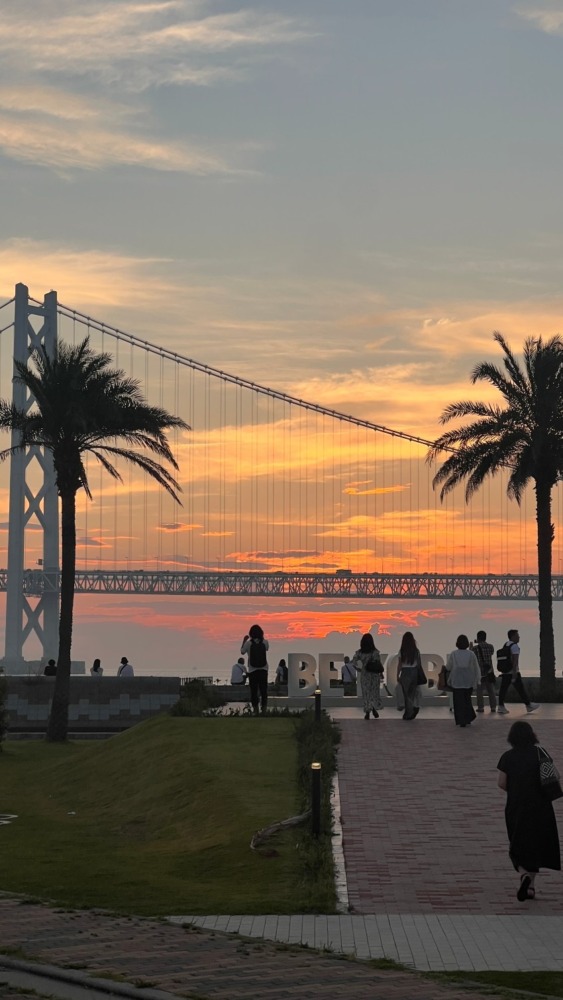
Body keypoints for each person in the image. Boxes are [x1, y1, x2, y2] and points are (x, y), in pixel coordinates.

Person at [497, 720, 561, 901]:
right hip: (541, 806)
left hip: (517, 806)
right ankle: (531, 886)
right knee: (536, 844)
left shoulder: (507, 757)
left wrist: (517, 789)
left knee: (518, 843)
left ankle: (524, 874)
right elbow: (555, 775)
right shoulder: (540, 753)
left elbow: (501, 783)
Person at [497, 629, 539, 716]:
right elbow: (515, 660)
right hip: (512, 672)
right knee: (520, 689)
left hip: (506, 671)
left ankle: (501, 706)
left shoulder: (506, 644)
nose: (519, 637)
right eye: (517, 635)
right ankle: (528, 705)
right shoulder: (514, 646)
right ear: (513, 636)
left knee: (503, 689)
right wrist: (514, 673)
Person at [446, 634, 481, 727]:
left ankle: (461, 720)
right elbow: (476, 667)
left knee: (458, 702)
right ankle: (468, 717)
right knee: (467, 700)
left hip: (457, 681)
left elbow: (448, 667)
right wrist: (478, 680)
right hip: (469, 681)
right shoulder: (471, 654)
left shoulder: (454, 654)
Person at [351, 633, 384, 720]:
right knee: (374, 693)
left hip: (365, 675)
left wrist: (359, 669)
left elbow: (353, 661)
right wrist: (381, 673)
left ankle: (367, 711)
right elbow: (378, 663)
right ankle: (373, 708)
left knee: (366, 694)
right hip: (374, 675)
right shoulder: (375, 652)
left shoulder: (360, 653)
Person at [241, 624, 269, 715]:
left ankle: (255, 710)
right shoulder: (265, 642)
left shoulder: (248, 643)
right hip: (263, 669)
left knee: (254, 691)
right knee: (263, 690)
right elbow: (267, 648)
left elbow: (242, 652)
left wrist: (244, 640)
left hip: (252, 670)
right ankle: (264, 710)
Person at [396, 631, 423, 721]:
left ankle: (408, 712)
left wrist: (397, 675)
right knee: (412, 693)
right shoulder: (416, 651)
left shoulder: (402, 651)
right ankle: (412, 710)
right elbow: (419, 664)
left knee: (406, 694)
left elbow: (400, 664)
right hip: (414, 672)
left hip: (405, 672)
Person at [472, 630, 497, 713]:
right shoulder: (490, 647)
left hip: (480, 672)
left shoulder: (475, 648)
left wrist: (472, 646)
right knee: (491, 691)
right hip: (489, 672)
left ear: (478, 638)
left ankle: (481, 707)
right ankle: (493, 707)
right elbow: (491, 653)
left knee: (479, 691)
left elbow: (472, 655)